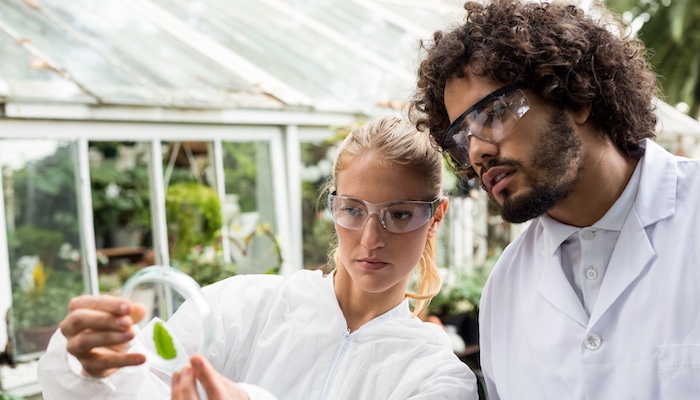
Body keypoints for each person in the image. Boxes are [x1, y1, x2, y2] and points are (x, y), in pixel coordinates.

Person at [37, 116, 478, 400]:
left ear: (435, 216)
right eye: (353, 210)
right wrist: (90, 367)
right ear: (333, 205)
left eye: (399, 215)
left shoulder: (433, 376)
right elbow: (141, 384)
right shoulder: (242, 307)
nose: (371, 238)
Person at [410, 0, 700, 398]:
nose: (476, 152)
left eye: (492, 113)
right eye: (462, 136)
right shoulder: (505, 291)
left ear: (574, 97)